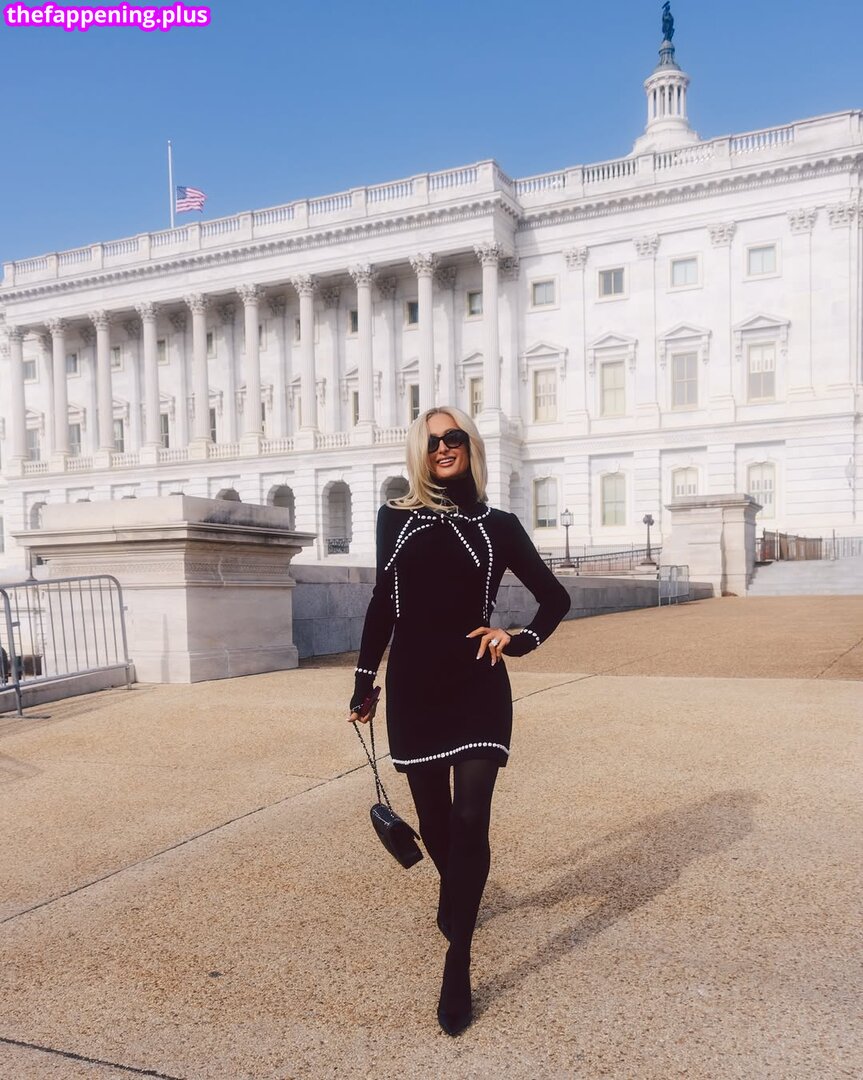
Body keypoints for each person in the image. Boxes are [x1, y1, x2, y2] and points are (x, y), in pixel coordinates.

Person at [348, 406, 571, 1036]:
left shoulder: (499, 526)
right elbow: (383, 602)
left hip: (478, 684)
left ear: (471, 446)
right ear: (418, 453)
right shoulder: (396, 517)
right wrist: (364, 680)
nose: (443, 448)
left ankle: (459, 957)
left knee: (472, 817)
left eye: (453, 438)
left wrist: (517, 639)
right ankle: (460, 894)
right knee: (436, 823)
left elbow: (555, 598)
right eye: (431, 441)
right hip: (414, 687)